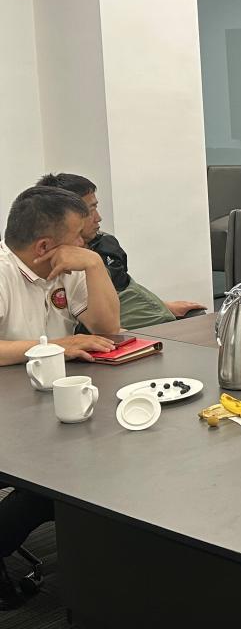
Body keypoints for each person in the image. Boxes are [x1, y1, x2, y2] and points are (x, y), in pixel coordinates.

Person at [0, 186, 120, 610]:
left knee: (111, 455)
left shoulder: (70, 267)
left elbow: (107, 328)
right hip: (9, 415)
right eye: (79, 237)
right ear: (44, 246)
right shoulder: (2, 273)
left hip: (49, 405)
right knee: (58, 484)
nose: (88, 240)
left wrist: (94, 265)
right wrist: (55, 346)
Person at [36, 173, 206, 329]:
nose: (98, 218)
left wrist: (162, 305)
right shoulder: (59, 266)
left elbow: (125, 287)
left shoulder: (105, 243)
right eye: (90, 211)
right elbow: (104, 329)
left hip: (150, 320)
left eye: (96, 208)